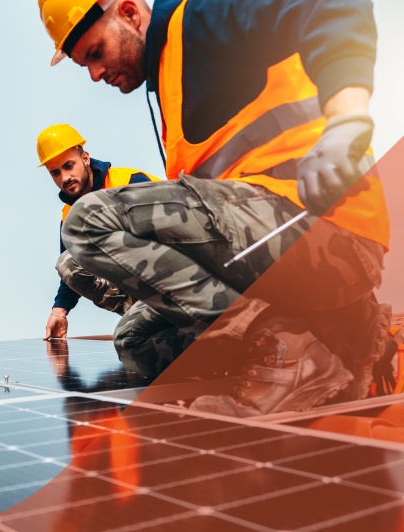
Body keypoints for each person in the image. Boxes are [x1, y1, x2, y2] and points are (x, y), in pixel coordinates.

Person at [36, 0, 392, 416]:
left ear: (130, 13)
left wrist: (346, 120)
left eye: (95, 53)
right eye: (85, 66)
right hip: (268, 248)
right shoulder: (169, 89)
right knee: (134, 341)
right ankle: (329, 342)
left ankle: (287, 354)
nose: (96, 74)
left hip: (324, 231)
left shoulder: (200, 17)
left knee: (86, 222)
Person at [37, 123, 159, 340]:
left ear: (85, 158)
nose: (65, 178)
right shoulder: (69, 217)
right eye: (55, 172)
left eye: (68, 166)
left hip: (173, 274)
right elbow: (72, 269)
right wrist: (59, 311)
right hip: (137, 291)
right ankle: (140, 314)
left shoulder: (129, 183)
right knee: (67, 262)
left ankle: (170, 309)